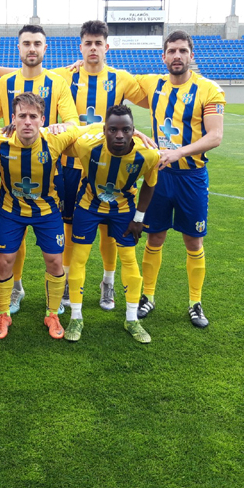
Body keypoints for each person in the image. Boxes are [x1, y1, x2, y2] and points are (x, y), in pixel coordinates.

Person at [51, 21, 145, 312]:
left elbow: (155, 94)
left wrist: (137, 131)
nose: (93, 48)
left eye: (98, 43)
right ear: (80, 47)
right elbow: (22, 75)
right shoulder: (63, 76)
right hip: (70, 164)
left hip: (109, 168)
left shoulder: (121, 78)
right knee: (69, 228)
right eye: (88, 43)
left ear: (107, 46)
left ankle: (108, 282)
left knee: (109, 230)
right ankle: (67, 280)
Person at [133, 30, 225, 328]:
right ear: (164, 56)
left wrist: (177, 153)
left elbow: (215, 136)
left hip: (192, 177)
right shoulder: (152, 84)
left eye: (182, 51)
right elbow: (116, 81)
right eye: (172, 51)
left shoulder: (209, 90)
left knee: (193, 239)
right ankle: (147, 296)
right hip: (160, 175)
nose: (177, 56)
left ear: (191, 56)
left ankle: (195, 302)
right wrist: (76, 67)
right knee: (154, 235)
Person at [0, 93, 85, 340]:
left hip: (47, 212)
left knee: (55, 262)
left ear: (42, 119)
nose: (27, 121)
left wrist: (135, 133)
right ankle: (3, 313)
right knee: (5, 261)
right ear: (13, 119)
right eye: (22, 116)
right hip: (11, 211)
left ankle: (52, 313)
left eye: (33, 116)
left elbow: (88, 128)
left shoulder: (55, 139)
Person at [0, 25, 79, 312]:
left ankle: (54, 300)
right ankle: (14, 288)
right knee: (10, 240)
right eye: (26, 43)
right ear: (18, 48)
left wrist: (60, 126)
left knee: (51, 238)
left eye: (37, 43)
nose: (31, 48)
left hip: (48, 164)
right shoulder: (3, 84)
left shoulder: (58, 83)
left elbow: (73, 122)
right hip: (11, 163)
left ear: (45, 48)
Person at [62, 105, 159, 343]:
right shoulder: (87, 146)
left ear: (134, 131)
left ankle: (131, 319)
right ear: (104, 130)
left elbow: (150, 184)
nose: (119, 135)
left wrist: (139, 218)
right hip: (88, 206)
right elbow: (66, 138)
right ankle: (76, 316)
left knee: (129, 260)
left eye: (126, 130)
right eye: (112, 129)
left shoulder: (148, 155)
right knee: (79, 258)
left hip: (123, 210)